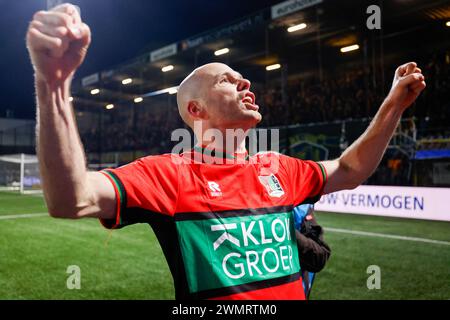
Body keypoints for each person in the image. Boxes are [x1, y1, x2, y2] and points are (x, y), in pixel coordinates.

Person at [26, 4, 426, 300]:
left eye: (244, 78)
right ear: (195, 110)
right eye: (228, 81)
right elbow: (70, 198)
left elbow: (349, 169)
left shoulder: (279, 168)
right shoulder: (168, 175)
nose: (245, 83)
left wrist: (393, 104)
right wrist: (53, 84)